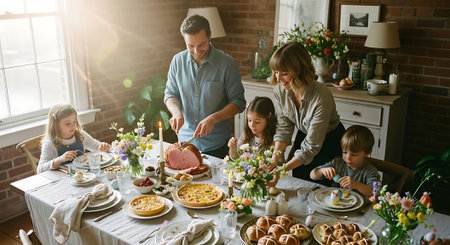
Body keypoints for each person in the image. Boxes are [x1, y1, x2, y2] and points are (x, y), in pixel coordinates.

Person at [164, 14, 245, 158]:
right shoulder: (177, 61)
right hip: (185, 143)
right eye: (190, 46)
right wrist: (176, 112)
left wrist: (213, 118)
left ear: (210, 36)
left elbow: (238, 102)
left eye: (201, 45)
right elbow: (170, 94)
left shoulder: (227, 63)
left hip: (217, 146)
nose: (196, 51)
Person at [267, 42, 345, 185]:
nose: (278, 79)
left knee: (322, 189)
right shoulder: (280, 90)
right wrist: (274, 161)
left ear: (299, 71)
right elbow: (284, 129)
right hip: (304, 136)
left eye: (284, 73)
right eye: (276, 72)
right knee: (299, 184)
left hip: (329, 141)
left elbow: (311, 147)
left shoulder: (321, 96)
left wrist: (280, 170)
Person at [310, 125, 380, 197]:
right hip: (336, 204)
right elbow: (312, 175)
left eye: (354, 154)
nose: (348, 158)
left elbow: (376, 193)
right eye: (345, 152)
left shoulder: (370, 171)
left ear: (368, 152)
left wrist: (356, 185)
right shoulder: (337, 163)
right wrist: (322, 170)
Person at [38, 104, 110, 173]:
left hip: (84, 176)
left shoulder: (80, 135)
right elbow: (40, 169)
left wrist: (103, 146)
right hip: (62, 179)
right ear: (55, 125)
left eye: (74, 122)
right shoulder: (50, 144)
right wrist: (59, 159)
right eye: (67, 123)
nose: (72, 126)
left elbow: (96, 146)